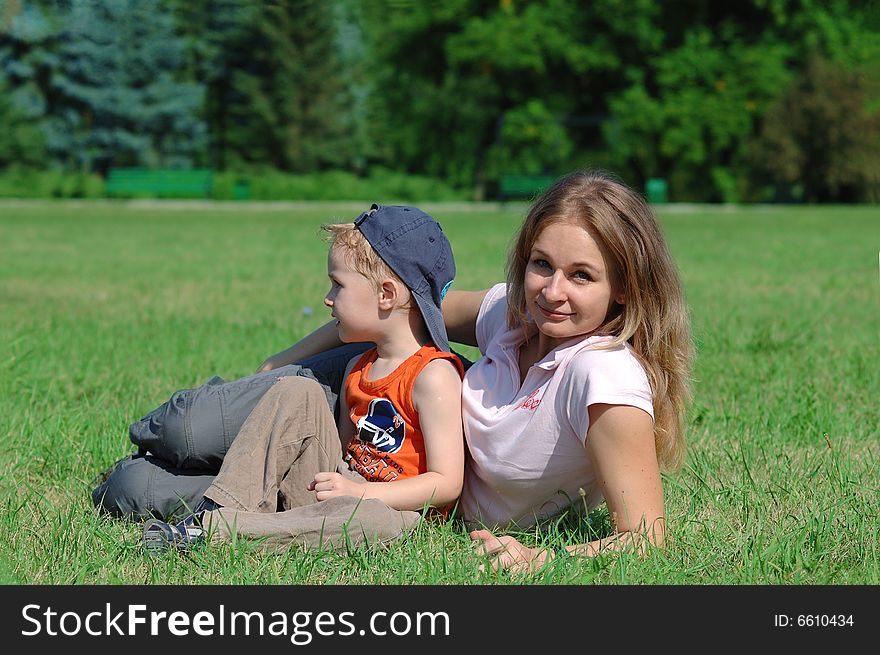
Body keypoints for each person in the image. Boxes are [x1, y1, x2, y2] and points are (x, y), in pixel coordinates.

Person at [94, 169, 693, 572]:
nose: (551, 292)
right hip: (358, 413)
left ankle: (203, 512)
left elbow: (645, 539)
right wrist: (281, 364)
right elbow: (397, 305)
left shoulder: (602, 377)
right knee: (185, 431)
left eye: (582, 275)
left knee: (132, 491)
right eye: (541, 264)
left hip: (392, 488)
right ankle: (191, 448)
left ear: (623, 290)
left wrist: (544, 560)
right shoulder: (512, 316)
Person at [138, 204, 465, 553]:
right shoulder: (359, 365)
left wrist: (362, 493)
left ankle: (216, 533)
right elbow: (341, 454)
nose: (328, 299)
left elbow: (447, 483)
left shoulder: (434, 374)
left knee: (374, 521)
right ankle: (217, 512)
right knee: (299, 389)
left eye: (337, 285)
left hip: (397, 512)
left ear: (386, 295)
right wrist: (343, 486)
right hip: (340, 494)